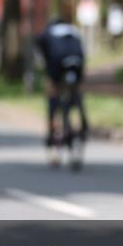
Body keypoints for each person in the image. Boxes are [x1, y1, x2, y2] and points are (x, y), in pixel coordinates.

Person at [35, 8, 89, 167]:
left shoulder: (47, 33)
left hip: (57, 64)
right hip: (76, 63)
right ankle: (81, 119)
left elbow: (42, 55)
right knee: (76, 93)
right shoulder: (74, 30)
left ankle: (53, 137)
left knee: (53, 97)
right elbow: (82, 52)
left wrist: (49, 77)